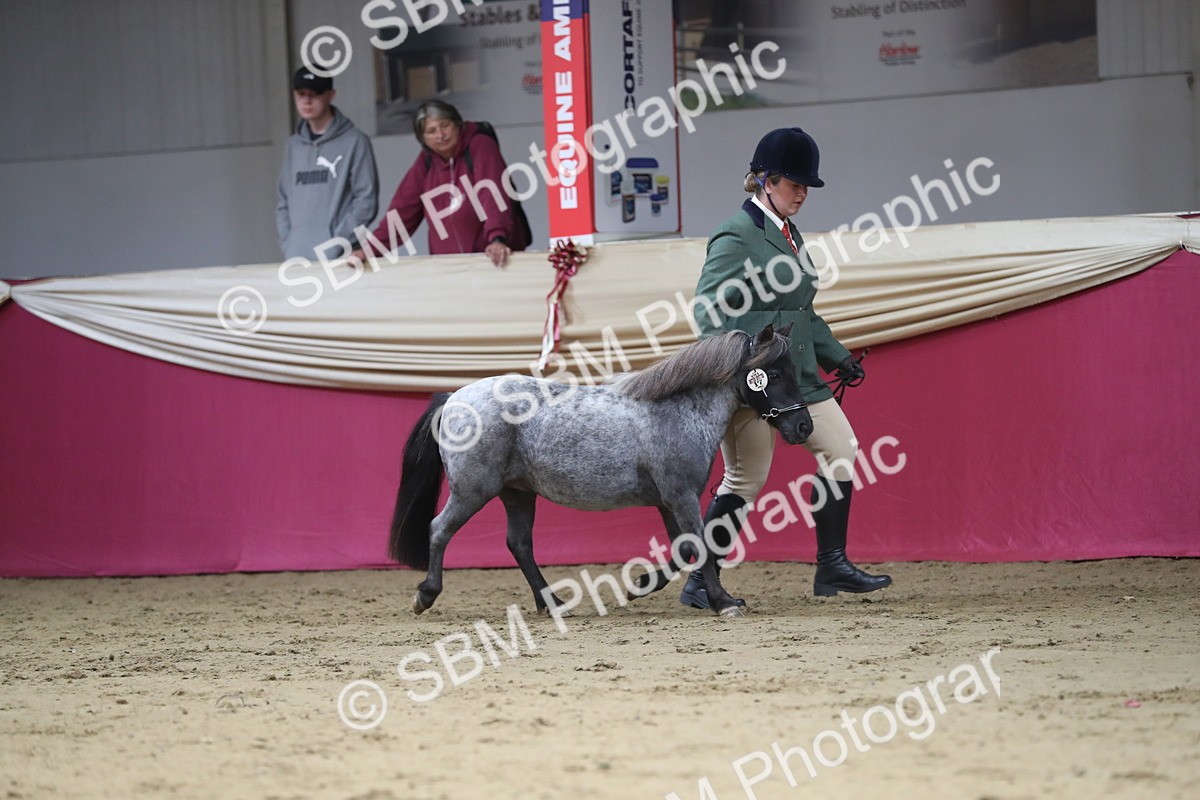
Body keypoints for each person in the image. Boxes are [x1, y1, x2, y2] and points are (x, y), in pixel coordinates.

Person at [681, 127, 892, 609]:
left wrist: (837, 355)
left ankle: (832, 565)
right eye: (795, 185)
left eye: (806, 187)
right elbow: (708, 312)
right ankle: (700, 582)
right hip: (756, 381)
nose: (802, 194)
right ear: (766, 180)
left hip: (799, 377)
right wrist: (739, 369)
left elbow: (801, 311)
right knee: (746, 479)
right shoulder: (736, 235)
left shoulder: (790, 234)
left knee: (841, 450)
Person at [356, 100, 520, 268]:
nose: (440, 135)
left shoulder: (480, 145)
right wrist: (369, 249)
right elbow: (402, 211)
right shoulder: (426, 162)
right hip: (448, 267)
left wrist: (497, 238)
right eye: (431, 131)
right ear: (422, 139)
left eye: (445, 125)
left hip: (491, 259)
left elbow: (493, 195)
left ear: (458, 124)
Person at [276, 67, 379, 261]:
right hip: (297, 258)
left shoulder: (355, 142)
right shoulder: (293, 146)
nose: (307, 101)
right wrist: (289, 242)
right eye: (301, 94)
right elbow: (283, 201)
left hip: (340, 258)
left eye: (314, 94)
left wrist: (337, 243)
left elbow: (366, 201)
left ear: (330, 95)